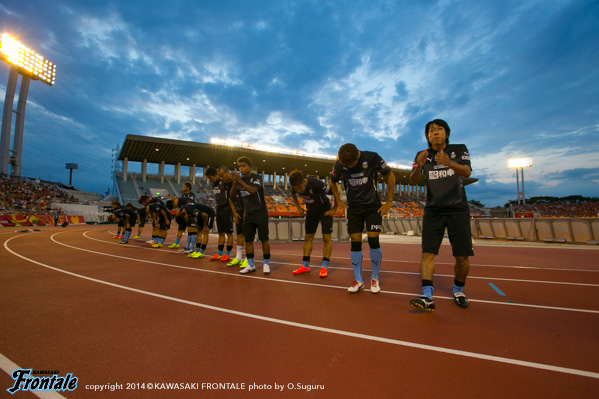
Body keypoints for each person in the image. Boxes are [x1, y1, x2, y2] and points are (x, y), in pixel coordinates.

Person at [409, 119, 473, 312]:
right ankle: (427, 296)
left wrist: (449, 163)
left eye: (439, 129)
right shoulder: (423, 155)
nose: (435, 132)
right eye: (431, 130)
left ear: (446, 133)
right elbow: (413, 181)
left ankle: (458, 290)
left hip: (457, 209)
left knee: (462, 257)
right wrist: (419, 166)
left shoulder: (459, 149)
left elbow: (467, 172)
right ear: (427, 136)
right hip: (433, 210)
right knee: (427, 253)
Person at [329, 143, 395, 294]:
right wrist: (338, 200)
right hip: (354, 209)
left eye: (350, 164)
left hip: (373, 207)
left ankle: (375, 277)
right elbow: (332, 181)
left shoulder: (372, 157)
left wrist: (389, 202)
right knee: (355, 243)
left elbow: (390, 175)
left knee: (373, 241)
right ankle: (358, 279)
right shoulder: (340, 164)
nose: (348, 167)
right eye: (345, 165)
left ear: (357, 156)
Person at [289, 170, 338, 278]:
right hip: (311, 212)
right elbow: (293, 194)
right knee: (308, 237)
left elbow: (335, 190)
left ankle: (324, 266)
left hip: (325, 211)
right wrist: (299, 208)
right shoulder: (294, 186)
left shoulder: (316, 185)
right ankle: (305, 265)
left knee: (326, 238)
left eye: (300, 188)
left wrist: (334, 208)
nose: (299, 190)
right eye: (296, 188)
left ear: (304, 181)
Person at [230, 156, 271, 275]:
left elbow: (253, 190)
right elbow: (232, 196)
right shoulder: (239, 181)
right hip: (248, 215)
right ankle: (251, 265)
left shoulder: (256, 177)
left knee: (264, 240)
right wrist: (234, 182)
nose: (241, 168)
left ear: (250, 167)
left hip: (260, 213)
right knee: (248, 241)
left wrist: (240, 181)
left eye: (243, 166)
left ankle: (266, 263)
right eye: (239, 166)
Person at [217, 166, 248, 268]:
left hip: (248, 209)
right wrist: (234, 212)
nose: (221, 179)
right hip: (238, 210)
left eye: (222, 176)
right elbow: (231, 199)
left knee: (248, 235)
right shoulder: (226, 184)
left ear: (228, 173)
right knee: (239, 234)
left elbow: (247, 196)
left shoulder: (241, 180)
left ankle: (248, 259)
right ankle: (238, 258)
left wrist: (246, 211)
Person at [206, 167, 235, 263]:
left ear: (217, 175)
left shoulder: (226, 182)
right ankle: (219, 253)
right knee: (221, 233)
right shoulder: (214, 184)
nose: (211, 180)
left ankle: (227, 254)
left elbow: (231, 181)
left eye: (211, 178)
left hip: (227, 209)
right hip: (219, 209)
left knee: (229, 233)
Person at [167, 182, 195, 248]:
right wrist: (172, 198)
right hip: (183, 214)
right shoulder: (183, 195)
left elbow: (189, 202)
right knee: (180, 229)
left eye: (184, 186)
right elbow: (179, 201)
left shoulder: (192, 195)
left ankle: (191, 244)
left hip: (189, 214)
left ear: (188, 187)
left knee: (190, 230)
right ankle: (176, 243)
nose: (183, 188)